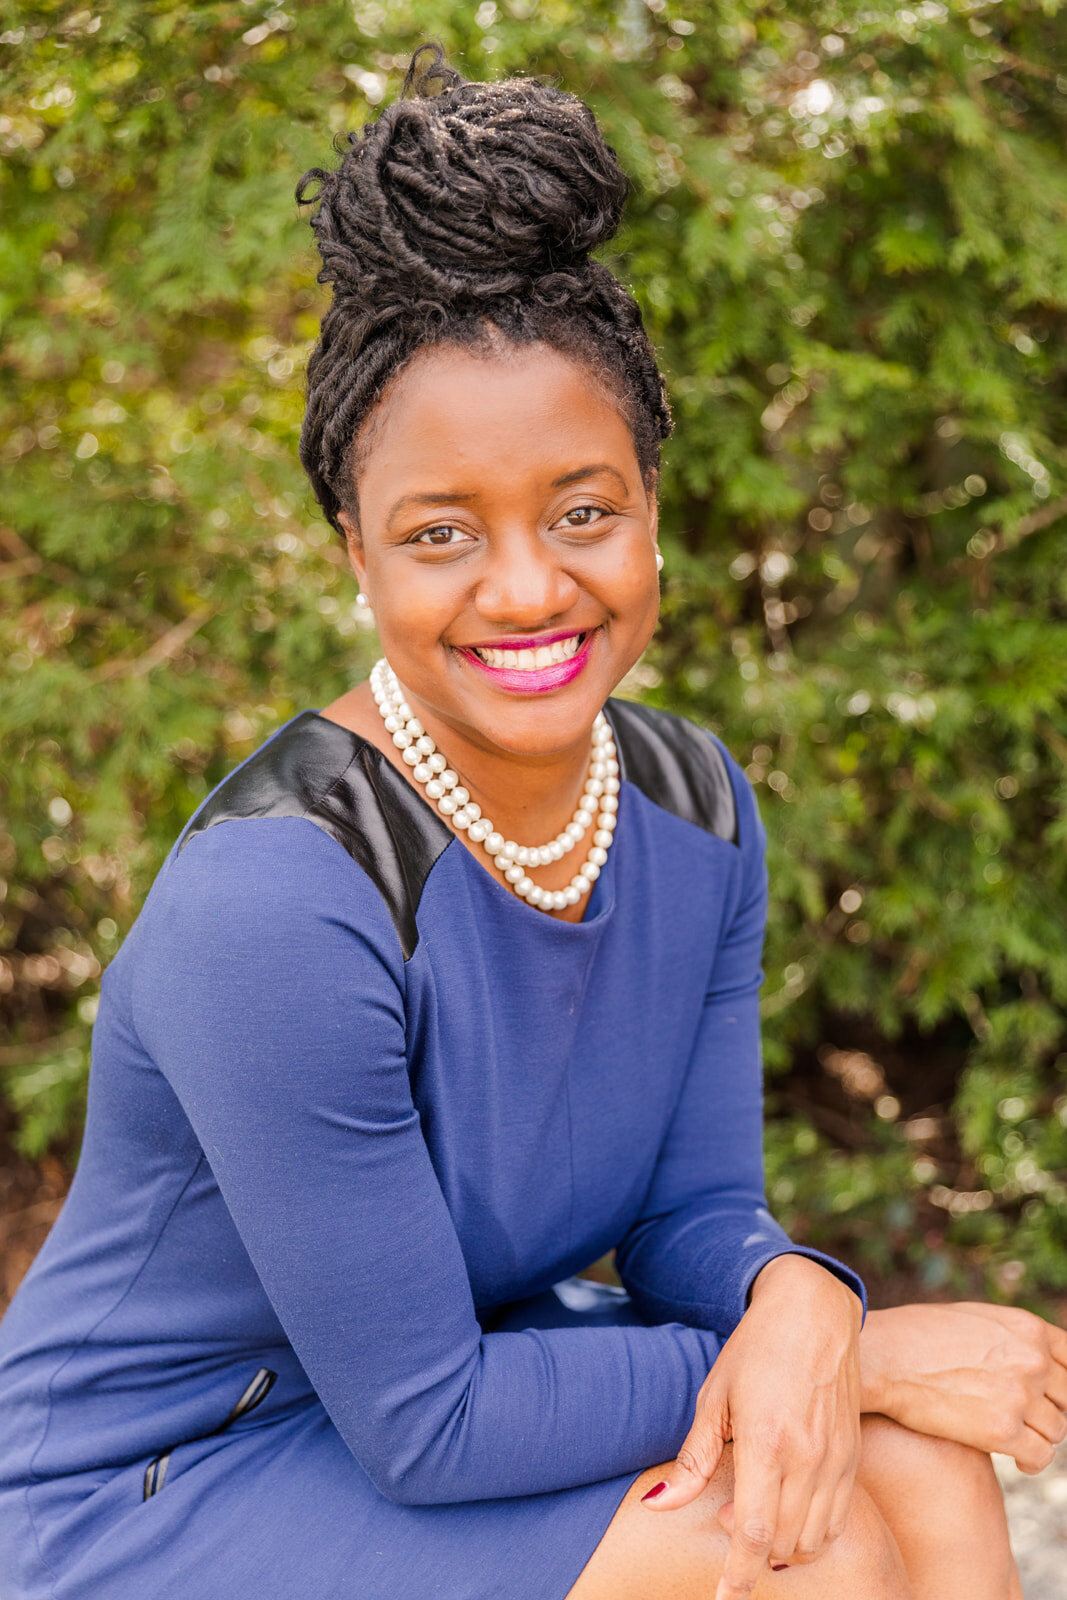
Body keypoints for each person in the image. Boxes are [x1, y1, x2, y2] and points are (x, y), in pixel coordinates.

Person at [1, 44, 1064, 1600]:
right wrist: (856, 1334)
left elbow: (692, 1212)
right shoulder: (280, 909)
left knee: (917, 1469)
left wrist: (789, 1301)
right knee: (791, 1529)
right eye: (443, 533)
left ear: (650, 508)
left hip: (460, 1399)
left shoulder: (694, 808)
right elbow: (428, 1422)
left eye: (583, 510)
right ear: (356, 554)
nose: (524, 589)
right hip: (163, 1480)